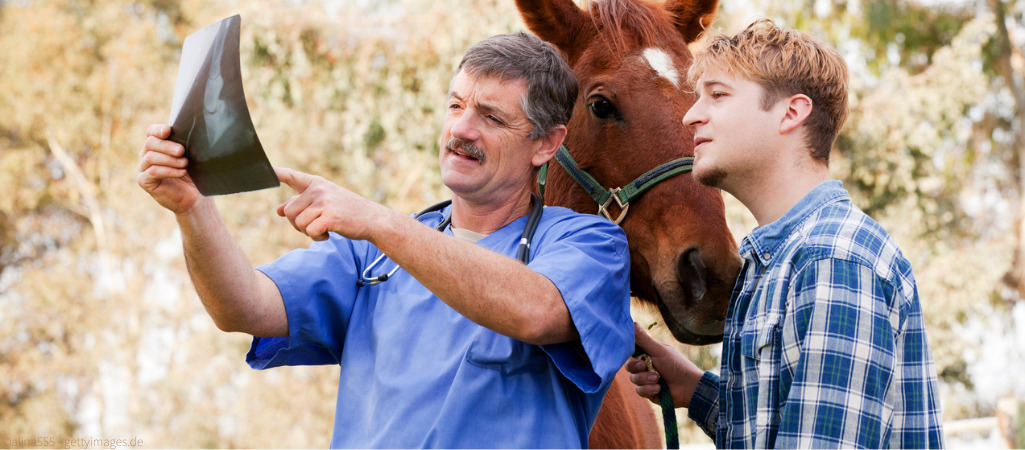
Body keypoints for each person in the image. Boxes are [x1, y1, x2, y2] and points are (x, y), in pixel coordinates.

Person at [138, 32, 634, 448]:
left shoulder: (589, 245)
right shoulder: (371, 257)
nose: (461, 129)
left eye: (491, 117)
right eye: (455, 105)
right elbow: (241, 307)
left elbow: (536, 310)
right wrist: (192, 208)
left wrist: (380, 221)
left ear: (546, 143)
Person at [626, 19, 944, 448]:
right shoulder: (777, 262)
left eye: (717, 95)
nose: (690, 116)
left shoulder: (832, 261)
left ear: (791, 113)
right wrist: (694, 389)